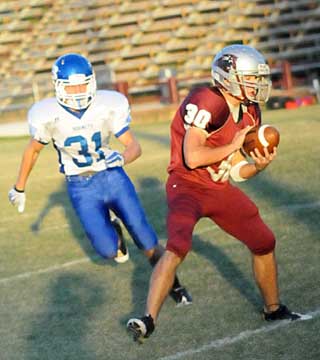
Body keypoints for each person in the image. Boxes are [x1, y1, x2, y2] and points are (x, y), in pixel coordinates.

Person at [127, 44, 311, 342]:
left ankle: (273, 309)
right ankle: (148, 319)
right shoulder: (208, 100)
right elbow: (193, 156)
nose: (256, 84)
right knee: (178, 245)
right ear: (228, 77)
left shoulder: (251, 111)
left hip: (218, 187)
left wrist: (258, 166)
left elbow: (236, 169)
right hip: (186, 184)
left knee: (264, 241)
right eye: (250, 77)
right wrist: (234, 145)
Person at [8, 53, 192, 306]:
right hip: (81, 187)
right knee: (107, 251)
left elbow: (134, 146)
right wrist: (19, 187)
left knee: (145, 238)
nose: (78, 91)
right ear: (58, 86)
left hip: (114, 178)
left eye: (82, 84)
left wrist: (122, 159)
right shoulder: (46, 113)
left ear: (92, 82)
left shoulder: (107, 104)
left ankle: (176, 287)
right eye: (71, 86)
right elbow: (33, 150)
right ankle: (115, 233)